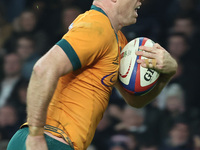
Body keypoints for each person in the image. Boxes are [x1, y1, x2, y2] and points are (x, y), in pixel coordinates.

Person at [7, 0, 177, 150]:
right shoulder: (97, 26)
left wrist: (165, 74)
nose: (140, 1)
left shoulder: (117, 38)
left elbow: (134, 101)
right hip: (49, 141)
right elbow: (42, 69)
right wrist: (36, 135)